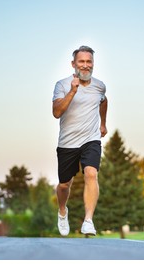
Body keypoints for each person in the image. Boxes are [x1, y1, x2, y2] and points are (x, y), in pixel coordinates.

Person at [52, 46, 108, 236]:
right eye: (81, 62)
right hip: (68, 142)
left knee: (91, 173)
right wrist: (72, 92)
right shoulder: (62, 85)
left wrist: (103, 124)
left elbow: (103, 101)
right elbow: (56, 112)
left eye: (89, 62)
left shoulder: (99, 86)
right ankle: (62, 211)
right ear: (73, 64)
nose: (85, 65)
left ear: (93, 64)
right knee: (64, 185)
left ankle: (88, 221)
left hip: (90, 139)